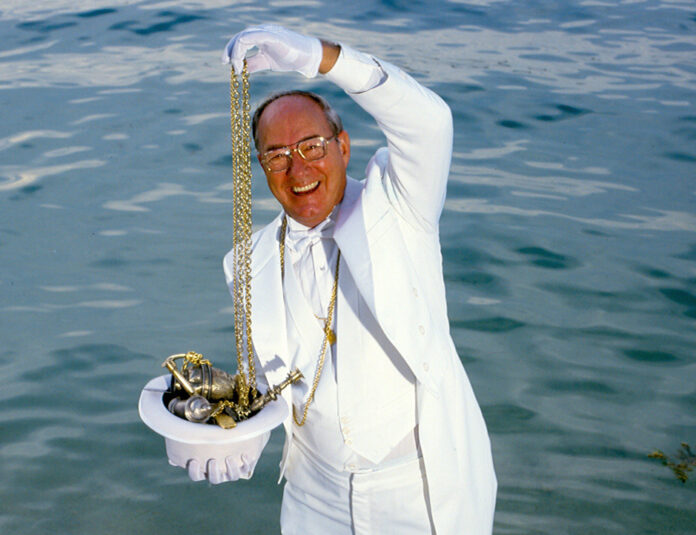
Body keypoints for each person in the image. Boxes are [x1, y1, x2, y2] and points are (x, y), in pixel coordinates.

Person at [189, 24, 496, 534]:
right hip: (315, 495)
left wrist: (322, 58)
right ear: (260, 167)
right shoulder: (248, 261)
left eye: (311, 145)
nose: (297, 167)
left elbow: (430, 121)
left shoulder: (399, 206)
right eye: (277, 155)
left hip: (418, 488)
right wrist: (234, 433)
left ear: (344, 147)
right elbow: (276, 379)